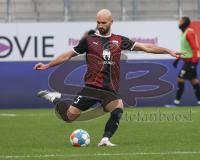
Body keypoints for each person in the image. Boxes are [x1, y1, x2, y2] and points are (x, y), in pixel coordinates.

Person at [34, 9, 184, 147]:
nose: (100, 25)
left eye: (103, 22)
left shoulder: (119, 40)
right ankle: (55, 98)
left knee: (118, 108)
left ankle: (105, 139)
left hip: (110, 90)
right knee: (69, 117)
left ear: (111, 22)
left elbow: (147, 47)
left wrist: (168, 50)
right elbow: (67, 55)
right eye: (98, 22)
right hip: (91, 88)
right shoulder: (89, 41)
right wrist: (48, 65)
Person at [172, 16, 200, 106]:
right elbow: (185, 49)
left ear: (185, 23)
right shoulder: (183, 33)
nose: (179, 22)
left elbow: (194, 48)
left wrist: (194, 62)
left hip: (190, 61)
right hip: (187, 61)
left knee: (180, 78)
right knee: (194, 80)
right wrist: (177, 60)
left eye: (180, 21)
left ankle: (176, 102)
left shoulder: (189, 33)